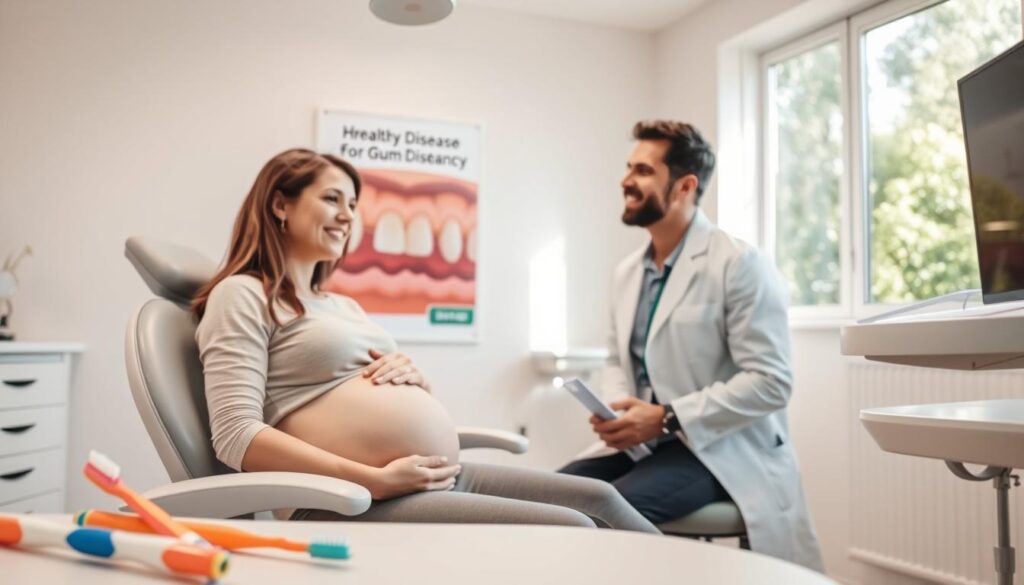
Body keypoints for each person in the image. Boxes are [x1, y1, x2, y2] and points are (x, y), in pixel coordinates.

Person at [192, 148, 657, 533]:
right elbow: (236, 436)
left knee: (602, 498)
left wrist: (415, 382)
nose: (346, 216)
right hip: (343, 500)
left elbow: (358, 392)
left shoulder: (342, 305)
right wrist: (372, 480)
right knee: (574, 528)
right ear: (280, 205)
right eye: (332, 199)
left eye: (352, 204)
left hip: (424, 478)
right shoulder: (243, 294)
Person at [559, 121, 823, 570]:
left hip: (720, 450)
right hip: (648, 447)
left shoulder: (739, 264)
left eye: (642, 170)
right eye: (628, 168)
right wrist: (617, 408)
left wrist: (666, 417)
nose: (626, 180)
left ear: (684, 186)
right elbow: (615, 358)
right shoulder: (628, 273)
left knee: (603, 514)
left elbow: (772, 382)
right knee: (546, 503)